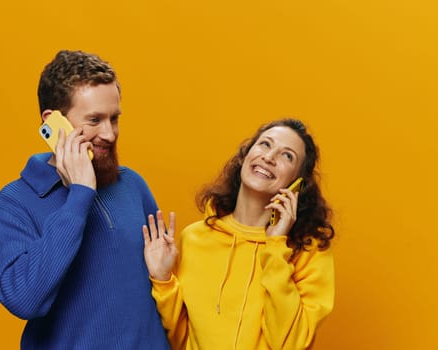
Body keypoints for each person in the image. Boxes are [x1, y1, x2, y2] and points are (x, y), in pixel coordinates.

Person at [0, 50, 170, 349]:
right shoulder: (15, 202)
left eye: (114, 119)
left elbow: (163, 287)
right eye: (95, 120)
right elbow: (24, 300)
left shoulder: (132, 185)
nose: (109, 134)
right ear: (53, 121)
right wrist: (80, 195)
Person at [143, 118, 335, 350]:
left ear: (298, 184)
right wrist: (163, 280)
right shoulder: (195, 238)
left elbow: (290, 344)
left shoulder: (307, 251)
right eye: (265, 144)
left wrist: (275, 246)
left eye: (287, 156)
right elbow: (181, 339)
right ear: (245, 155)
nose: (269, 157)